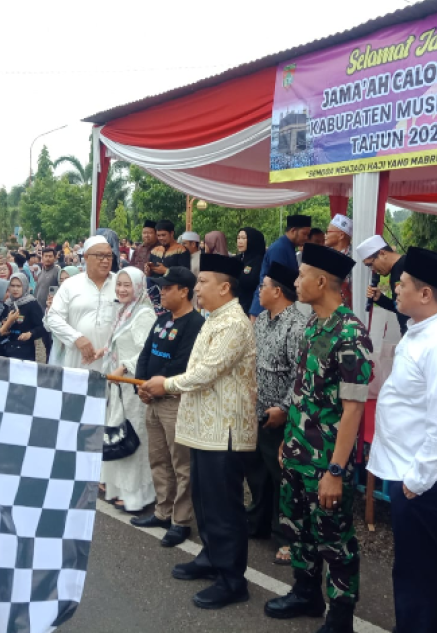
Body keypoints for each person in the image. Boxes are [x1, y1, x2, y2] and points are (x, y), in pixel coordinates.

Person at [368, 246, 437, 633]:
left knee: (420, 575)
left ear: (426, 293)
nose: (394, 289)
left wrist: (418, 479)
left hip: (421, 478)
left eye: (402, 284)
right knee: (413, 571)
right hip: (408, 468)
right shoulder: (424, 329)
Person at [139, 254, 257, 610]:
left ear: (225, 287)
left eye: (203, 281)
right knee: (205, 504)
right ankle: (210, 557)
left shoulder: (234, 323)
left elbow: (206, 372)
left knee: (224, 508)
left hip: (225, 430)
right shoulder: (214, 318)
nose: (197, 287)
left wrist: (165, 384)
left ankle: (232, 580)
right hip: (204, 429)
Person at [265, 244, 372, 632]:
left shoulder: (350, 334)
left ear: (322, 281)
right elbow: (302, 391)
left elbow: (353, 410)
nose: (295, 282)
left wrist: (336, 471)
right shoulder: (312, 325)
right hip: (298, 452)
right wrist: (288, 438)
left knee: (335, 539)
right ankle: (305, 593)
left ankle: (340, 617)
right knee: (299, 530)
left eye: (301, 276)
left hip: (326, 461)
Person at [131, 267, 205, 547]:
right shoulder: (162, 319)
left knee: (181, 464)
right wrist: (141, 385)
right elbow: (145, 354)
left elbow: (183, 364)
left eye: (167, 288)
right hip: (152, 399)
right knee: (158, 459)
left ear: (184, 291)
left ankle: (181, 520)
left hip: (175, 402)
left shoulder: (196, 324)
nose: (161, 292)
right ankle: (163, 511)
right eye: (161, 288)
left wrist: (156, 385)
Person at [247, 262, 307, 565]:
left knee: (283, 477)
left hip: (282, 416)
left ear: (278, 291)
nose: (259, 291)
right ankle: (259, 523)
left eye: (264, 286)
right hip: (258, 411)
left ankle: (287, 538)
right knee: (258, 474)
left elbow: (300, 375)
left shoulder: (297, 326)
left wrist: (284, 409)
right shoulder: (262, 320)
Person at [101, 267, 157, 514]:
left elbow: (147, 350)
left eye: (127, 285)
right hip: (118, 383)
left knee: (134, 435)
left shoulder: (143, 314)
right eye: (119, 284)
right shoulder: (125, 310)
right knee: (119, 433)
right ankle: (119, 488)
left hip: (133, 385)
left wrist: (124, 367)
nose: (122, 289)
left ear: (139, 286)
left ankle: (137, 495)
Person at [44, 235, 116, 373]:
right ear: (86, 257)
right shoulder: (71, 285)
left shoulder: (121, 285)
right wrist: (76, 338)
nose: (105, 260)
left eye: (109, 256)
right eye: (100, 256)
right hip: (78, 361)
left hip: (112, 363)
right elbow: (53, 317)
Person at [250, 214, 311, 318]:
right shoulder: (279, 248)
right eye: (304, 234)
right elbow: (279, 282)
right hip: (265, 308)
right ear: (293, 231)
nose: (306, 238)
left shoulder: (288, 247)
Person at [355, 235, 409, 335]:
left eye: (371, 264)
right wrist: (381, 299)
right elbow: (402, 308)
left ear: (382, 253)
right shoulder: (394, 272)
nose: (373, 269)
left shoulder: (408, 266)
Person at [4, 274, 45, 361]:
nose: (15, 289)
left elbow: (42, 326)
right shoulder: (7, 303)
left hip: (24, 350)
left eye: (19, 286)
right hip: (6, 347)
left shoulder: (31, 304)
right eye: (12, 286)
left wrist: (30, 333)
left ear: (25, 286)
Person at [34, 247, 61, 358]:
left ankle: (51, 361)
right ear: (42, 258)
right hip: (40, 312)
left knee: (51, 341)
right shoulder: (41, 273)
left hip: (51, 311)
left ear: (55, 258)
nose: (48, 258)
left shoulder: (57, 272)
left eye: (50, 256)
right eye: (46, 256)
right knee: (45, 340)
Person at [324, 214, 354, 308]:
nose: (325, 235)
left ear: (341, 235)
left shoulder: (352, 258)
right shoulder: (326, 255)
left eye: (328, 232)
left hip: (346, 312)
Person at [236, 227, 266, 316]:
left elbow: (250, 281)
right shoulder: (237, 259)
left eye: (243, 238)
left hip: (251, 308)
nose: (239, 241)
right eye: (238, 238)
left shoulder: (259, 261)